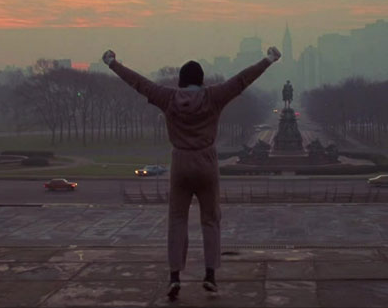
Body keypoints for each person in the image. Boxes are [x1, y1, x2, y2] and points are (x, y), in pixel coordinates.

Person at [102, 46, 281, 299]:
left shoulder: (168, 97)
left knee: (177, 221)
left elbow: (139, 83)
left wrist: (113, 64)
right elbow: (241, 80)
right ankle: (210, 275)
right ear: (201, 80)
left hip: (180, 163)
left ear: (180, 81)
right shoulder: (213, 96)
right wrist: (268, 60)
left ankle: (175, 277)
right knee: (210, 220)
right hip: (206, 161)